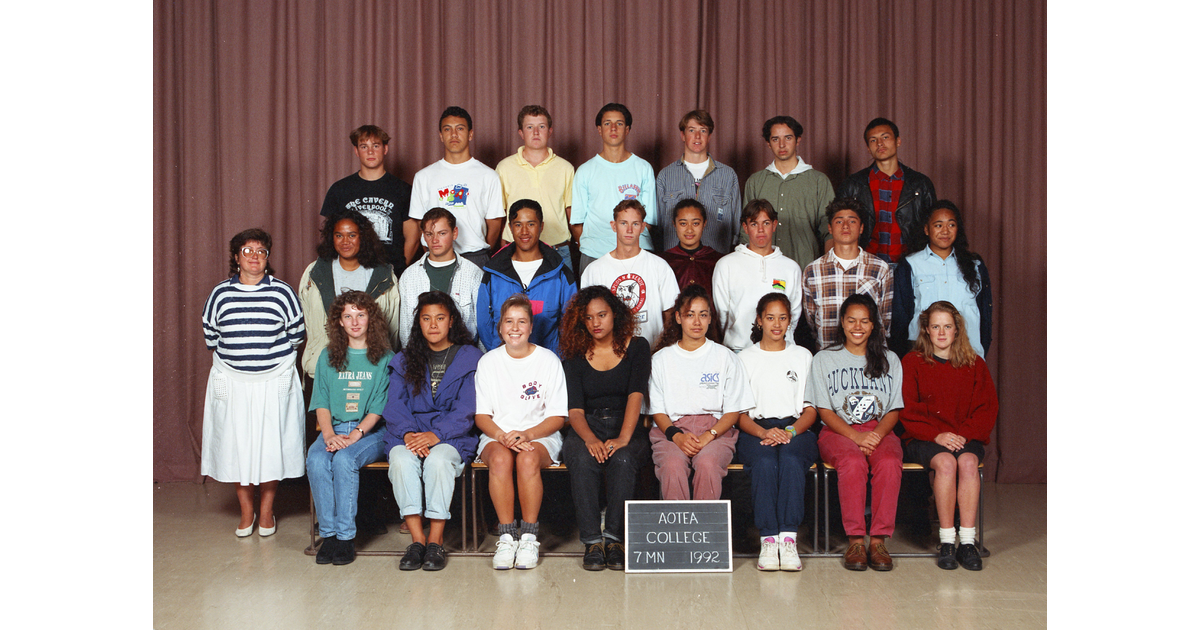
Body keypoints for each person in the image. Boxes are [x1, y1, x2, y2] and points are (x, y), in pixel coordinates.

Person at [201, 228, 305, 537]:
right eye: (247, 251)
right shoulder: (220, 294)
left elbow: (296, 334)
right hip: (233, 379)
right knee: (237, 444)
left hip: (273, 378)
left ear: (268, 258)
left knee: (271, 445)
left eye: (261, 252)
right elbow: (211, 337)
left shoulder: (282, 292)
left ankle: (267, 512)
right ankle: (246, 512)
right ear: (236, 258)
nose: (255, 257)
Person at [383, 291, 483, 572]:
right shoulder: (405, 358)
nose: (433, 324)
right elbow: (394, 404)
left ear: (451, 321)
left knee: (439, 461)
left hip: (452, 434)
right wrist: (407, 434)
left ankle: (436, 539)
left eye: (440, 318)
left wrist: (436, 434)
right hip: (410, 433)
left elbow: (468, 407)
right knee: (401, 460)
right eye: (426, 318)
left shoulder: (469, 357)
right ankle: (417, 540)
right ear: (419, 323)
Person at [807, 294, 904, 571]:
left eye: (864, 321)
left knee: (888, 462)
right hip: (837, 431)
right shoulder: (824, 359)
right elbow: (824, 410)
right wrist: (855, 436)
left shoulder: (890, 359)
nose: (857, 326)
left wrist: (874, 435)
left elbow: (894, 409)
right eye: (851, 320)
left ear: (874, 325)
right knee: (852, 462)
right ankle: (856, 541)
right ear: (841, 322)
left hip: (879, 430)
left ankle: (878, 540)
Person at [559, 286, 653, 571]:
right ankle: (591, 542)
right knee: (582, 459)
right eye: (588, 318)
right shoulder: (575, 354)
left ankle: (613, 540)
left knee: (623, 460)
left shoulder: (637, 347)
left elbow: (636, 395)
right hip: (587, 425)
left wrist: (623, 437)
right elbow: (574, 411)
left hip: (626, 423)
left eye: (602, 315)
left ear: (616, 315)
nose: (596, 323)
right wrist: (589, 439)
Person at [899, 301, 998, 571]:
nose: (941, 332)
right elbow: (906, 410)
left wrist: (962, 435)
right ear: (926, 330)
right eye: (935, 326)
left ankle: (967, 541)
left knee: (966, 463)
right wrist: (937, 435)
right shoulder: (913, 362)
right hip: (925, 437)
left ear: (957, 330)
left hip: (965, 437)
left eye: (947, 326)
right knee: (946, 463)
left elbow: (986, 408)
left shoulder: (974, 364)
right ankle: (946, 541)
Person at [474, 294, 568, 570]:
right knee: (502, 459)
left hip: (539, 435)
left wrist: (526, 435)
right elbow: (482, 416)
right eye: (509, 322)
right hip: (497, 435)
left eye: (522, 322)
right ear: (500, 327)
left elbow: (558, 416)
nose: (515, 328)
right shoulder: (488, 362)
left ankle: (528, 538)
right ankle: (506, 537)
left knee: (526, 460)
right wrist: (503, 436)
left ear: (530, 327)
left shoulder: (548, 360)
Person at [306, 291, 394, 566]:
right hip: (334, 428)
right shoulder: (328, 356)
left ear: (371, 319)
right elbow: (321, 399)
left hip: (370, 432)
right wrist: (329, 434)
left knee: (344, 459)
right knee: (317, 458)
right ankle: (329, 535)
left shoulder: (385, 358)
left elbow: (379, 406)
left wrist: (354, 435)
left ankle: (345, 538)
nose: (354, 322)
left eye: (360, 315)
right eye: (348, 316)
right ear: (339, 322)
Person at [735, 293, 819, 572]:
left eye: (782, 318)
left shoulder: (802, 355)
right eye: (770, 318)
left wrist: (791, 432)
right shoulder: (745, 358)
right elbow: (739, 414)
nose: (776, 324)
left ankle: (788, 538)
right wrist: (763, 433)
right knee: (766, 463)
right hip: (756, 429)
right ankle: (768, 539)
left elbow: (811, 410)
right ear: (759, 320)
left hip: (795, 428)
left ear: (790, 321)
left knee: (792, 461)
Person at [648, 285, 754, 501]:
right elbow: (657, 412)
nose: (696, 322)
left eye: (703, 315)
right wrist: (676, 437)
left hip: (716, 430)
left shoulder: (726, 357)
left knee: (707, 464)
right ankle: (678, 533)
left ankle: (707, 533)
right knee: (672, 465)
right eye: (690, 315)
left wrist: (709, 435)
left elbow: (733, 411)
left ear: (709, 319)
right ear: (678, 317)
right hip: (671, 430)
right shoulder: (660, 360)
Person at [299, 209, 401, 379]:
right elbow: (308, 320)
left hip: (371, 370)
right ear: (332, 238)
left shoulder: (383, 275)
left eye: (352, 235)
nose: (345, 241)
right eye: (339, 235)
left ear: (363, 237)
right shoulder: (315, 272)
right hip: (325, 367)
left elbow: (393, 327)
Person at [404, 106, 505, 269]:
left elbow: (494, 224)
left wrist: (479, 250)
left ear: (470, 134)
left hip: (475, 256)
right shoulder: (423, 177)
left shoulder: (488, 175)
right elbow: (419, 224)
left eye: (460, 129)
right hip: (435, 256)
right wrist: (433, 251)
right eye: (447, 129)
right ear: (441, 135)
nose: (454, 135)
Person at [890, 200, 992, 358]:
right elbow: (900, 317)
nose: (945, 231)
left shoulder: (974, 265)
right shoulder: (910, 264)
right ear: (926, 229)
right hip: (923, 353)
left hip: (967, 351)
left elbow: (984, 313)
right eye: (938, 225)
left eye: (951, 225)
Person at [477, 199, 577, 355]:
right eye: (518, 224)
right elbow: (483, 321)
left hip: (548, 362)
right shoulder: (493, 272)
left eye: (531, 224)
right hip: (504, 361)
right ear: (510, 228)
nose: (524, 231)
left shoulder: (560, 273)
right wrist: (497, 352)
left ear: (541, 226)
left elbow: (571, 321)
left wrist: (555, 355)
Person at [570, 102, 658, 276]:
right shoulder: (585, 170)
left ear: (627, 129)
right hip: (595, 254)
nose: (613, 128)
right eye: (607, 123)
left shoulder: (643, 168)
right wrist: (595, 246)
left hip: (636, 252)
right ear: (599, 129)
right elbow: (577, 222)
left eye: (619, 123)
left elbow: (649, 221)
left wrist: (629, 246)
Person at [835, 118, 937, 264]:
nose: (880, 144)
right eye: (873, 140)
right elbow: (839, 228)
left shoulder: (920, 184)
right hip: (867, 265)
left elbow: (933, 229)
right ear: (868, 148)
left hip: (910, 266)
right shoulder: (853, 185)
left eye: (885, 137)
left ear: (898, 141)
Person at [580, 199, 680, 348]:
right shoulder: (594, 270)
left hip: (654, 352)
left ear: (643, 227)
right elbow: (586, 319)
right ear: (614, 226)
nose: (629, 230)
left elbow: (671, 315)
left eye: (635, 224)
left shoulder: (659, 266)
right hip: (611, 357)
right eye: (623, 223)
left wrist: (663, 350)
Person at [743, 115, 835, 270]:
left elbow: (829, 229)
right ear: (768, 143)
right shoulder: (755, 181)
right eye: (775, 139)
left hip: (806, 266)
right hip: (762, 268)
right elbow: (745, 231)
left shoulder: (819, 181)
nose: (782, 144)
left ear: (798, 140)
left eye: (788, 138)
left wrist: (828, 268)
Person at [712, 199, 804, 352]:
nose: (760, 230)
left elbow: (793, 313)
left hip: (780, 350)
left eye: (766, 223)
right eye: (754, 224)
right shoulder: (726, 265)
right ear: (745, 227)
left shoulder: (791, 268)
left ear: (774, 225)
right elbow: (722, 315)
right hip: (738, 350)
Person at [319, 124, 414, 273]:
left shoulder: (403, 190)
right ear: (356, 151)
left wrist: (399, 270)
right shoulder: (339, 189)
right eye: (364, 147)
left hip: (390, 271)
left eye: (376, 146)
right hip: (350, 272)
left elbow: (412, 237)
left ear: (385, 149)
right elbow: (330, 236)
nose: (370, 151)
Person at [802, 197, 893, 350]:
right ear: (830, 228)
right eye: (839, 221)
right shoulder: (813, 270)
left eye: (852, 221)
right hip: (828, 356)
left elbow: (884, 319)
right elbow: (811, 320)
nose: (845, 226)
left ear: (861, 228)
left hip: (869, 357)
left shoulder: (879, 268)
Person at [495, 105, 576, 271]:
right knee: (514, 297)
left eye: (542, 126)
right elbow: (499, 213)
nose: (536, 132)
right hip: (515, 249)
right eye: (529, 127)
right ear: (521, 133)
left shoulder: (565, 168)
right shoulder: (504, 167)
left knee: (562, 298)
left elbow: (571, 212)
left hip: (557, 248)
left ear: (550, 131)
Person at [655, 109, 742, 253]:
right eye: (691, 130)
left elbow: (737, 227)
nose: (697, 136)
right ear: (683, 135)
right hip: (675, 264)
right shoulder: (665, 175)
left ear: (709, 136)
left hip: (716, 260)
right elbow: (658, 227)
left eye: (703, 130)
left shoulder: (728, 175)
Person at [397, 208, 484, 347]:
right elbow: (406, 329)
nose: (435, 240)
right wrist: (412, 361)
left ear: (454, 233)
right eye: (429, 234)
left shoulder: (473, 273)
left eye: (442, 233)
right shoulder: (409, 276)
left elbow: (482, 325)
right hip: (422, 354)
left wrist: (477, 362)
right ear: (423, 236)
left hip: (463, 353)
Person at [657, 198, 723, 299]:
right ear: (674, 224)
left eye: (695, 223)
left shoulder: (717, 260)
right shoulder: (663, 261)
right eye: (683, 223)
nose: (689, 230)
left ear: (704, 224)